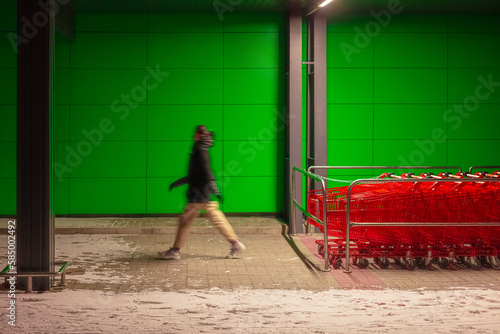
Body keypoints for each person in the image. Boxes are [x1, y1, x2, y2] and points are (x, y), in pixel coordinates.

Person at [158, 125, 245, 260]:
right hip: (204, 194)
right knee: (216, 218)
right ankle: (235, 243)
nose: (193, 136)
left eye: (195, 134)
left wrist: (215, 190)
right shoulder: (201, 149)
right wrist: (177, 183)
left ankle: (175, 251)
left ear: (200, 135)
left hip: (198, 196)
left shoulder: (200, 150)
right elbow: (193, 175)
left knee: (185, 221)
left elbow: (206, 172)